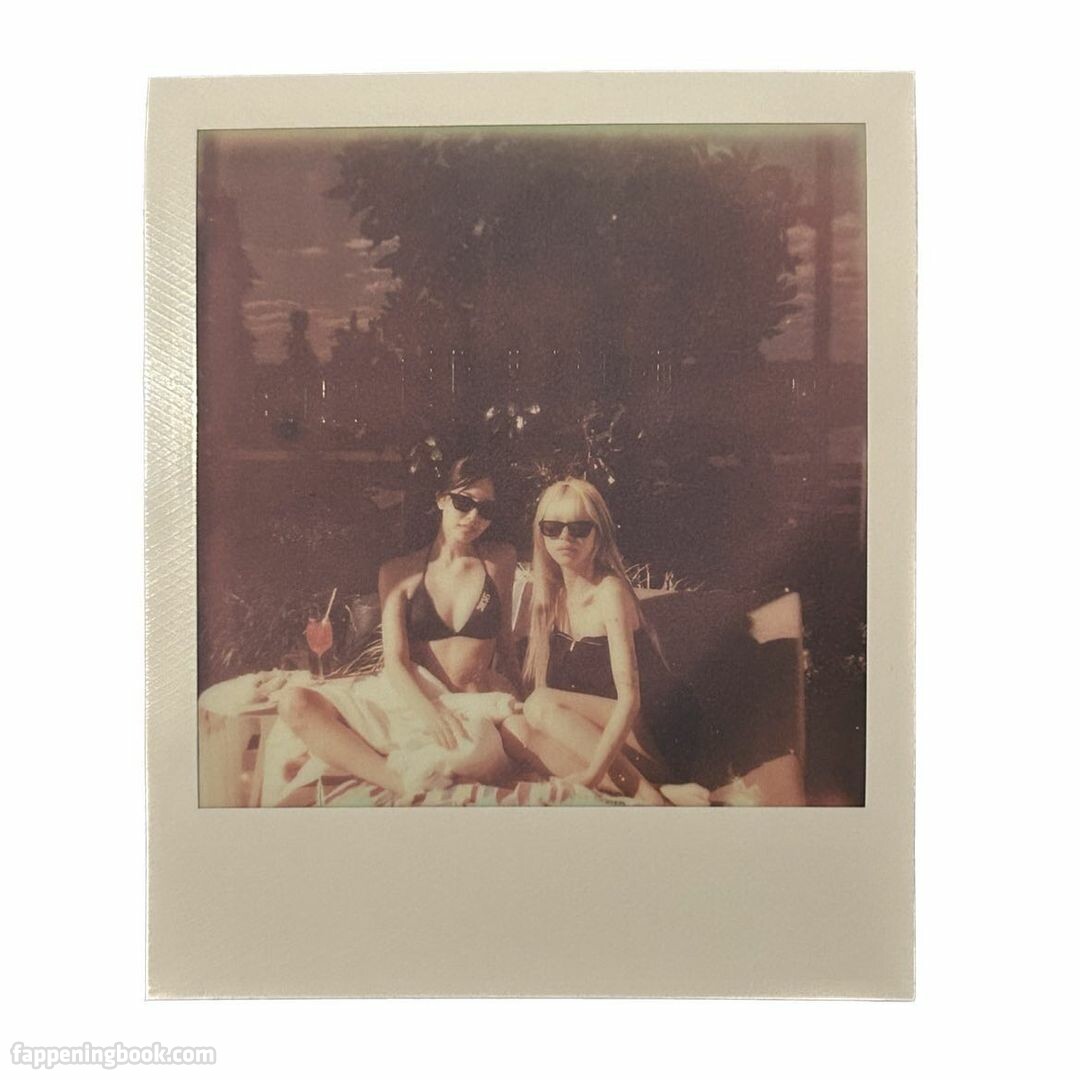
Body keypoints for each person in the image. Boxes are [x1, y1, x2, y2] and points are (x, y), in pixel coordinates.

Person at [268, 454, 522, 800]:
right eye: (464, 503)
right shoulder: (398, 572)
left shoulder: (499, 561)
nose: (473, 517)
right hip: (411, 697)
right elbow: (396, 662)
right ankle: (398, 781)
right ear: (441, 499)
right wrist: (429, 712)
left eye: (485, 509)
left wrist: (522, 694)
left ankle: (350, 758)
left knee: (465, 755)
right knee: (295, 703)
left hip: (468, 707)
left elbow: (505, 641)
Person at [501, 477, 710, 806]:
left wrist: (590, 776)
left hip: (657, 732)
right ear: (541, 535)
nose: (565, 537)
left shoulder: (609, 592)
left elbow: (630, 701)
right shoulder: (551, 597)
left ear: (598, 534)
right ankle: (657, 790)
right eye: (553, 528)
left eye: (579, 528)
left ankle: (646, 796)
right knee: (515, 729)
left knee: (539, 703)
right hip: (615, 742)